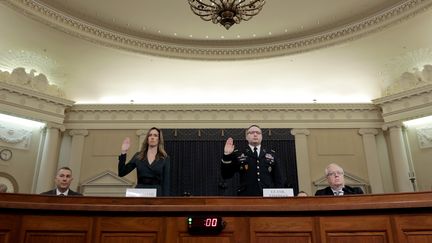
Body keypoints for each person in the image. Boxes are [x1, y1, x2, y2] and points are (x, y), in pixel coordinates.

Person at [221, 125, 285, 196]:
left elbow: (279, 178)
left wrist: (280, 197)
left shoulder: (271, 154)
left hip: (268, 196)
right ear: (246, 137)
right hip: (246, 196)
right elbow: (226, 175)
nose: (255, 134)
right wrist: (226, 155)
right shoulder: (239, 153)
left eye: (258, 132)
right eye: (251, 133)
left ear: (261, 136)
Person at [118, 127, 170, 196]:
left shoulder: (165, 158)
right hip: (140, 193)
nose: (152, 137)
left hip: (157, 194)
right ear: (147, 139)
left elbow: (166, 183)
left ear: (159, 139)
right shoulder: (138, 156)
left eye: (155, 135)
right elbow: (121, 172)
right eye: (150, 135)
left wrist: (165, 202)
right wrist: (123, 152)